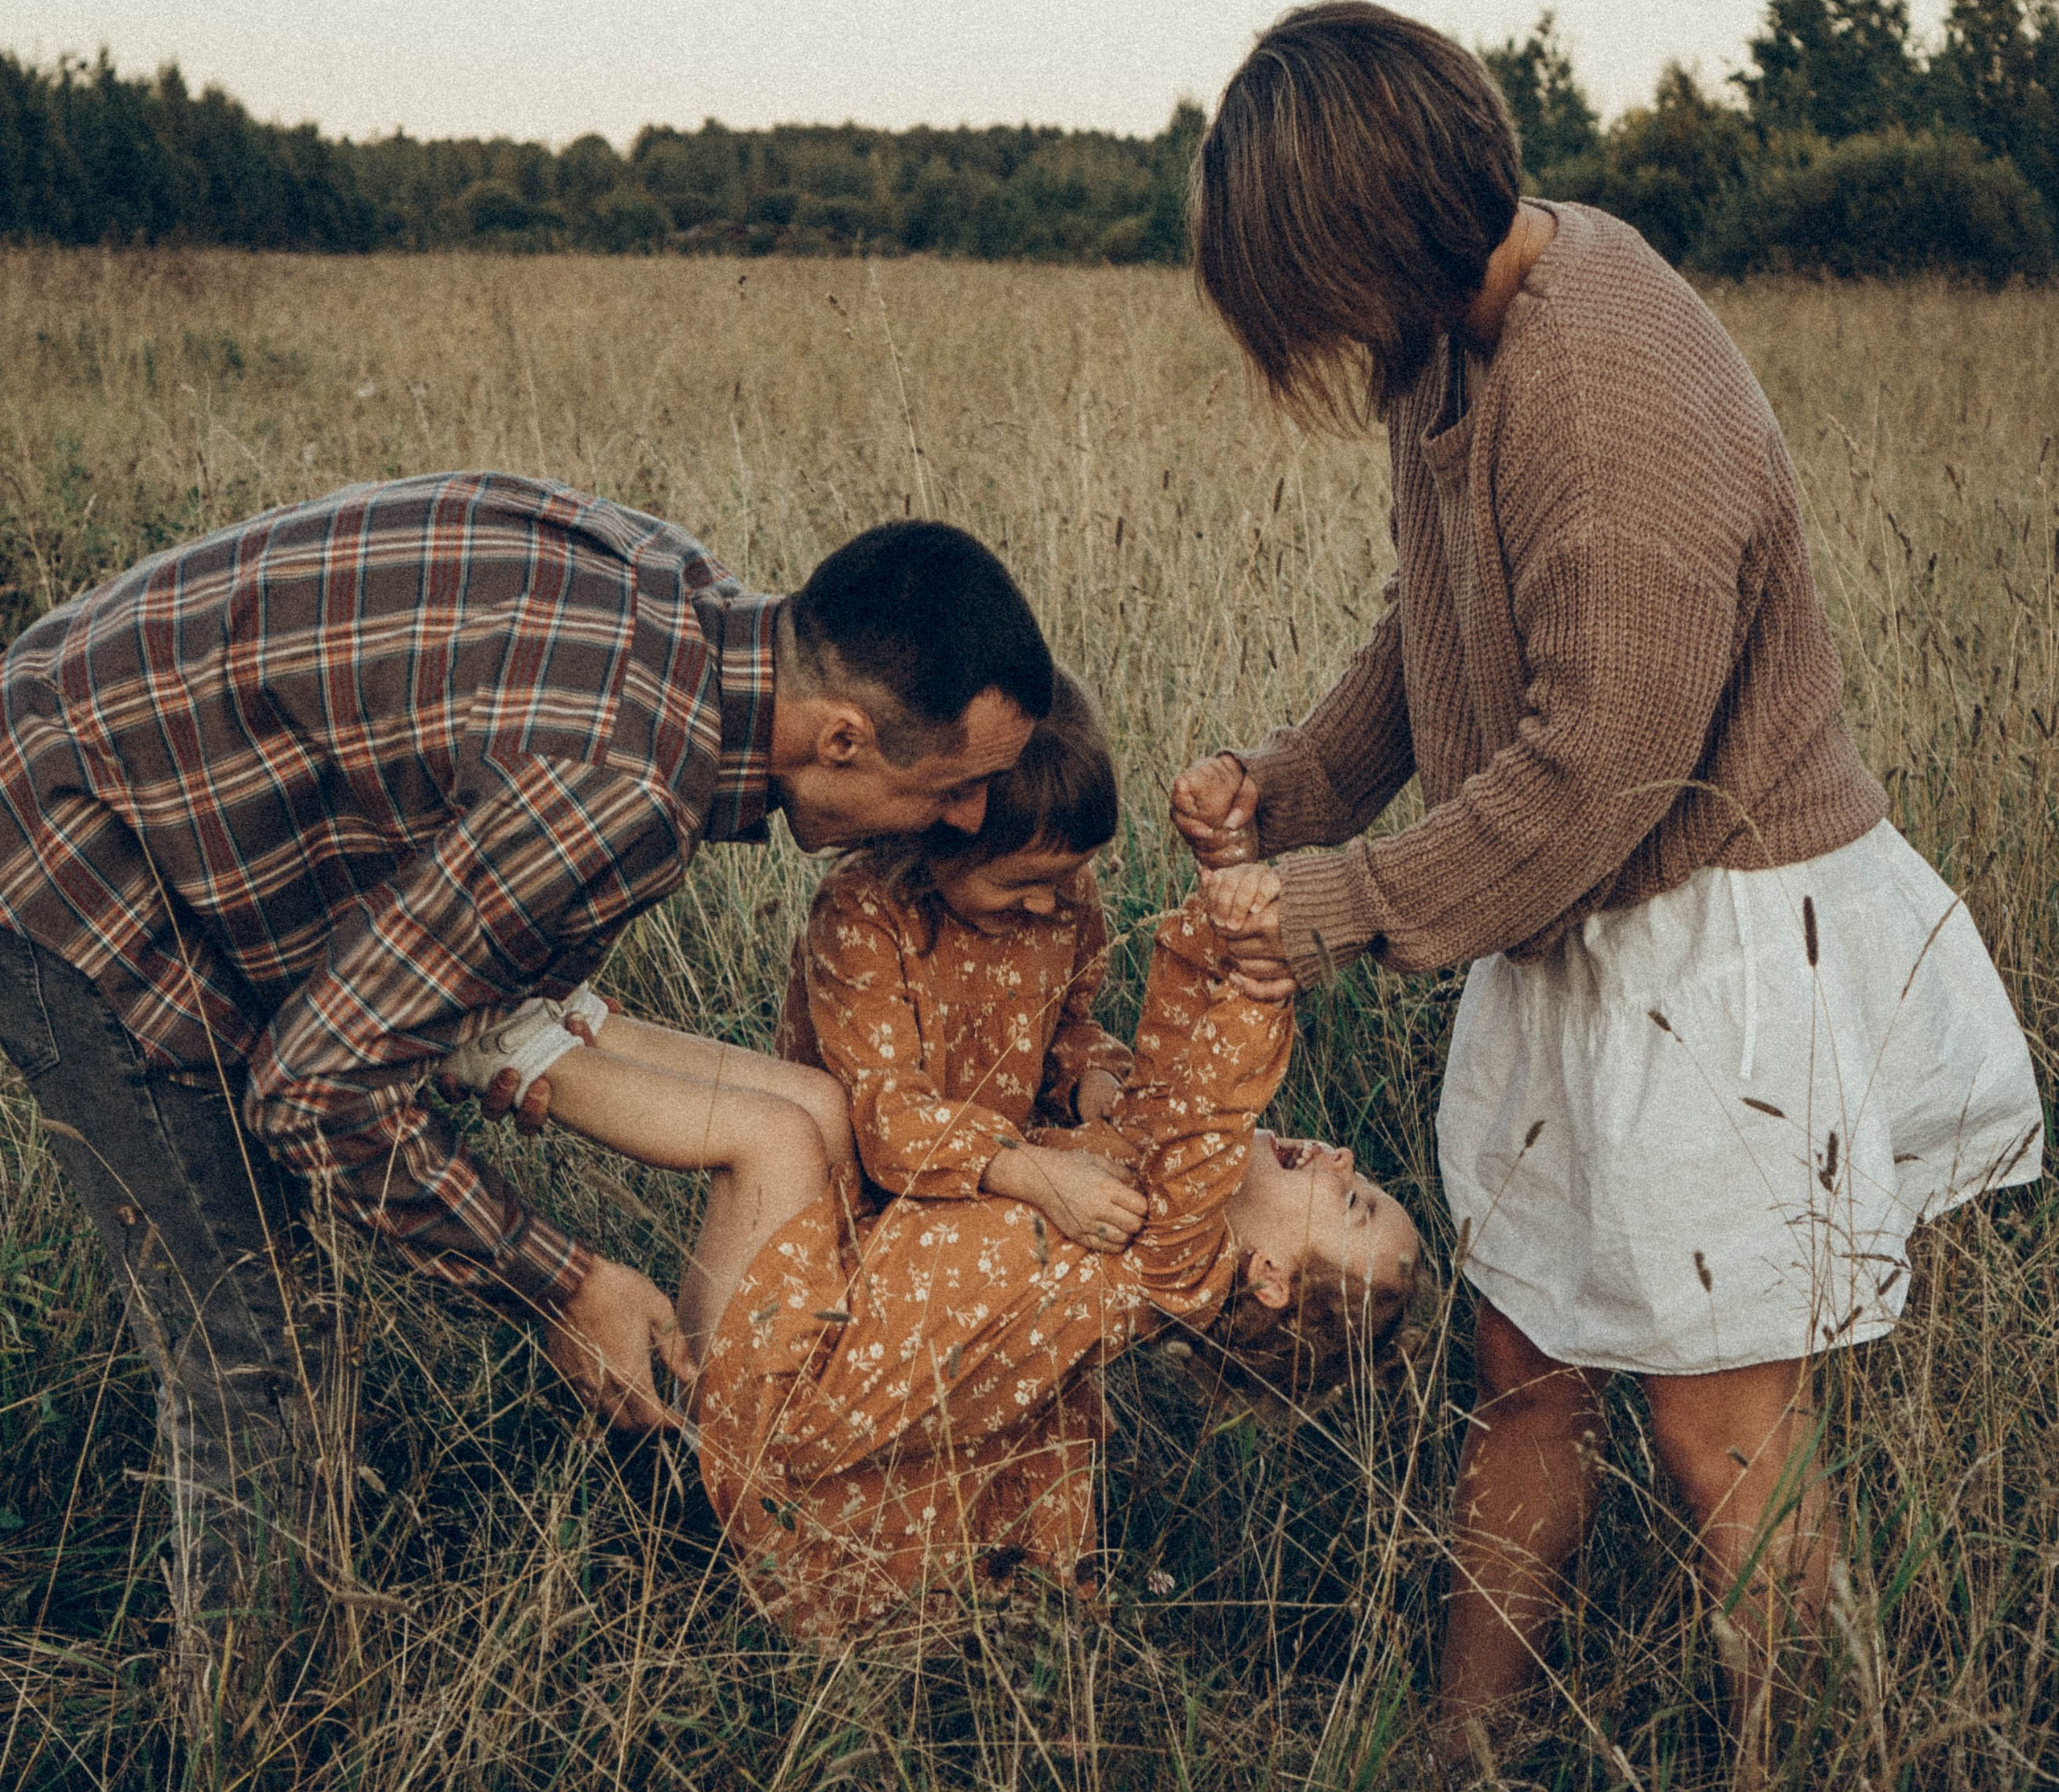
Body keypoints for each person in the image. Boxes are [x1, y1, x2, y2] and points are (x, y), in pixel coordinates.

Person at [1173, 1, 2042, 1752]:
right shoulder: (1454, 343)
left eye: (1299, 287)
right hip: (1563, 941)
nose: (1309, 340)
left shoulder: (1605, 388)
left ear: (1368, 235)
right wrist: (1291, 791)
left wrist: (1332, 910)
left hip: (1708, 947)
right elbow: (1440, 635)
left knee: (1720, 1436)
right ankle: (1459, 1752)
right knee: (1524, 1377)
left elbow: (1596, 778)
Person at [0, 471, 1054, 1718]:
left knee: (282, 1303)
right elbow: (316, 1089)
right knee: (259, 1342)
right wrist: (560, 1284)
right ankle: (240, 1784)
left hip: (92, 728)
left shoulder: (685, 596)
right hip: (69, 852)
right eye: (949, 789)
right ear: (838, 739)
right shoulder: (627, 786)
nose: (972, 818)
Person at [489, 891, 1418, 1639]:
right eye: (1358, 1173)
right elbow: (1173, 1075)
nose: (1340, 1158)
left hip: (783, 1404)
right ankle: (575, 1023)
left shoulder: (1180, 1252)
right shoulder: (1157, 1198)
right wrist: (1195, 935)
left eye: (1352, 1203)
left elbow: (1211, 1098)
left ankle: (500, 1055)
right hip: (825, 1310)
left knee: (769, 1140)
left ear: (1266, 1278)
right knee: (817, 1107)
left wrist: (1255, 974)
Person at [775, 668, 1145, 1252]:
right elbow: (889, 1120)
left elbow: (1066, 1026)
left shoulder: (1060, 889)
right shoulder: (863, 914)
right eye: (1018, 884)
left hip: (1010, 1166)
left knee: (1147, 1178)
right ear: (938, 834)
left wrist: (1090, 1084)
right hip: (872, 1196)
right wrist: (1038, 1177)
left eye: (1066, 877)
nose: (1048, 902)